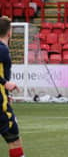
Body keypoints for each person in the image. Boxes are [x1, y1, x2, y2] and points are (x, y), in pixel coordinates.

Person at [0, 16, 25, 157]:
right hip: (0, 104)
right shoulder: (2, 49)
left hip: (2, 98)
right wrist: (5, 83)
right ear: (9, 32)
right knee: (14, 139)